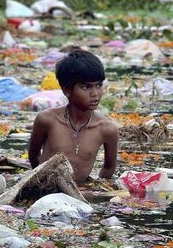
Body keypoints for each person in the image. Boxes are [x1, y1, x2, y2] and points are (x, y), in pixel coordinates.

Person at [28, 49, 118, 183]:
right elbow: (34, 156)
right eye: (86, 87)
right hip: (47, 190)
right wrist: (44, 183)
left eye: (98, 85)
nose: (95, 93)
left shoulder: (106, 129)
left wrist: (92, 189)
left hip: (80, 193)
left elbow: (109, 167)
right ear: (66, 90)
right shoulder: (47, 120)